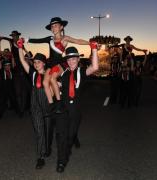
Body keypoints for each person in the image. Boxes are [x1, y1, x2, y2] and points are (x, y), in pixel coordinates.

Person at [28, 17, 92, 115]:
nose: (53, 28)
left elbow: (78, 41)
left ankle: (58, 104)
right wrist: (27, 39)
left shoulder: (65, 38)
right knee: (45, 82)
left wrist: (90, 43)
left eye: (55, 26)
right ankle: (51, 104)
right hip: (50, 63)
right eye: (52, 27)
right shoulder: (49, 39)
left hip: (59, 63)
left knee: (53, 78)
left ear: (61, 27)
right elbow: (38, 40)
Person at [55, 42, 99, 173]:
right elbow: (56, 84)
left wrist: (94, 49)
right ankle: (62, 161)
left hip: (75, 111)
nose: (71, 61)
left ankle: (72, 141)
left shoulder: (81, 72)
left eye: (74, 58)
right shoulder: (63, 74)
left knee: (69, 136)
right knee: (61, 136)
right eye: (69, 59)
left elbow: (95, 67)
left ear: (78, 59)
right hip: (63, 109)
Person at [17, 39, 52, 169]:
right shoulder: (32, 74)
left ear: (43, 63)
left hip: (48, 108)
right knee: (39, 132)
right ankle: (40, 157)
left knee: (48, 131)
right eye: (35, 62)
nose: (36, 64)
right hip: (35, 107)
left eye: (39, 62)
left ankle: (47, 148)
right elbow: (22, 61)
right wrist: (20, 47)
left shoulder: (50, 75)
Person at [0, 31, 31, 118]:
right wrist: (1, 38)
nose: (14, 37)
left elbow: (25, 50)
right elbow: (6, 38)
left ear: (18, 36)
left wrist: (29, 56)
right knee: (18, 91)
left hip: (22, 67)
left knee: (26, 89)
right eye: (13, 36)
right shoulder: (11, 42)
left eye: (15, 36)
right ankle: (20, 109)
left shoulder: (19, 43)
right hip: (15, 68)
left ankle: (27, 107)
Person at [0, 45, 16, 120]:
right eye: (6, 65)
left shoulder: (11, 65)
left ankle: (17, 110)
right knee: (2, 100)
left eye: (7, 52)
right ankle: (0, 114)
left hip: (11, 86)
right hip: (3, 87)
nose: (7, 66)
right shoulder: (2, 64)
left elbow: (13, 63)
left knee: (13, 98)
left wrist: (12, 56)